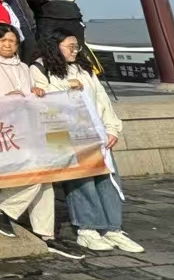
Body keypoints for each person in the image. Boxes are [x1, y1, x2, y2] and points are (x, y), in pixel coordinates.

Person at [0, 25, 83, 259]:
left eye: (12, 41)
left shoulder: (23, 67)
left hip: (28, 128)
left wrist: (37, 91)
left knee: (46, 178)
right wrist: (2, 99)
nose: (8, 45)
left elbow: (34, 95)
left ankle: (45, 234)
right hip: (1, 130)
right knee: (34, 173)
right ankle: (2, 210)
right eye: (3, 41)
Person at [32, 33, 141, 254]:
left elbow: (102, 99)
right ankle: (87, 228)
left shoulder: (85, 68)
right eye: (70, 46)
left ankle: (113, 227)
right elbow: (39, 95)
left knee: (107, 179)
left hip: (94, 131)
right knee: (80, 182)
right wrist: (67, 85)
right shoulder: (39, 67)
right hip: (63, 132)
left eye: (76, 46)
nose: (74, 50)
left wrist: (112, 128)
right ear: (56, 46)